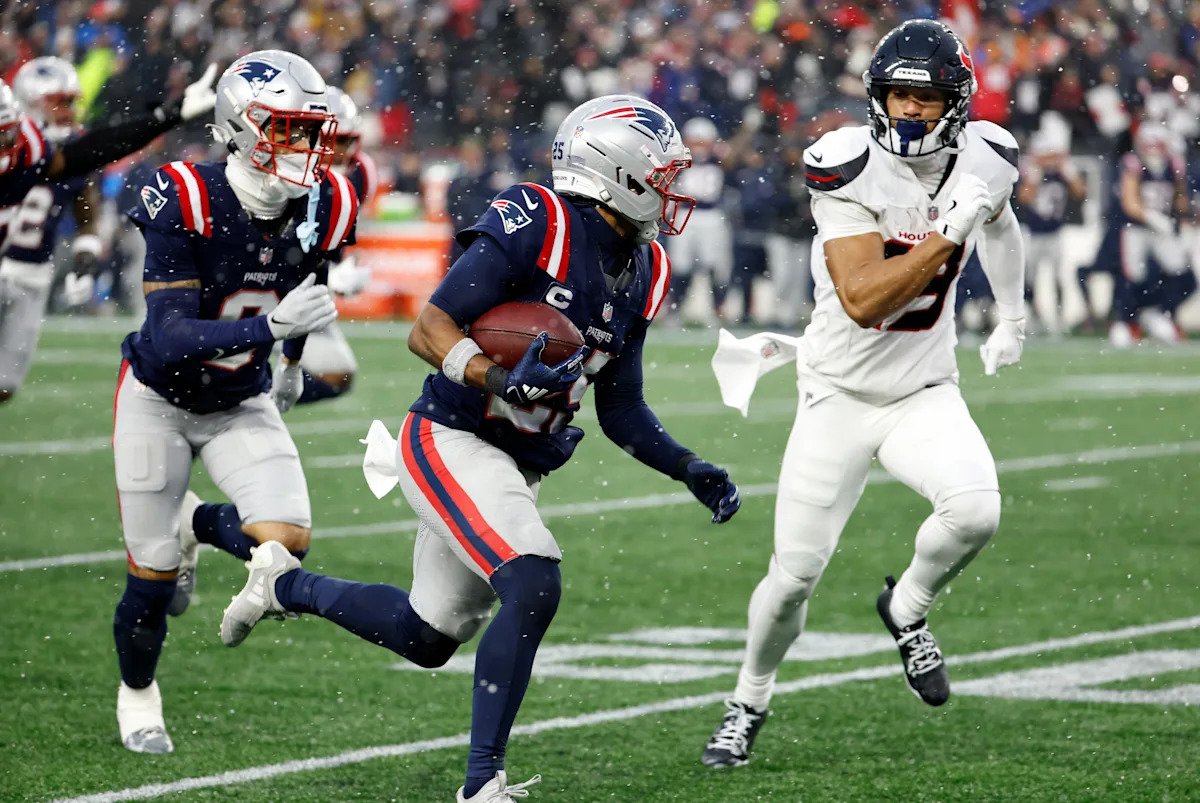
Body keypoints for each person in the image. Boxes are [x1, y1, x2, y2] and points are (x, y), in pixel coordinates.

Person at [220, 95, 741, 802]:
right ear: (617, 172)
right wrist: (497, 377)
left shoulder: (645, 268)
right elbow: (430, 327)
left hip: (516, 463)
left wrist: (686, 466)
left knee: (426, 636)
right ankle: (481, 783)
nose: (674, 187)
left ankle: (282, 584)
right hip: (451, 436)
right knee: (533, 578)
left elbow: (620, 407)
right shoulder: (541, 220)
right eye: (664, 173)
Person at [703, 19, 1025, 767]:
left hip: (923, 388)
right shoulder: (844, 164)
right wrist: (946, 233)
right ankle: (748, 699)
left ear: (956, 102)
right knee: (793, 578)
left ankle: (906, 607)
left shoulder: (989, 155)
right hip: (838, 395)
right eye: (898, 94)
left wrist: (1012, 315)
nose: (909, 109)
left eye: (926, 96)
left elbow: (1002, 224)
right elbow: (862, 298)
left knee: (976, 510)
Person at [111, 50, 357, 754]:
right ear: (241, 128)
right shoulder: (186, 193)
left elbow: (307, 282)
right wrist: (270, 329)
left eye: (312, 131)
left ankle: (195, 522)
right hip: (158, 398)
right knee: (152, 579)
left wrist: (292, 362)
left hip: (241, 398)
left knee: (288, 539)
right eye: (290, 129)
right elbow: (168, 336)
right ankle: (138, 692)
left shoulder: (328, 202)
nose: (307, 147)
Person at [0, 61, 217, 400]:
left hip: (31, 274)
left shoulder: (29, 146)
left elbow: (86, 154)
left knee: (4, 385)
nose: (8, 143)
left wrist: (164, 117)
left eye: (8, 134)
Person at [0, 57, 103, 400]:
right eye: (60, 102)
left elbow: (87, 212)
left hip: (34, 276)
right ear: (30, 102)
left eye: (71, 102)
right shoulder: (15, 146)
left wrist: (85, 259)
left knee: (5, 386)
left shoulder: (73, 151)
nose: (68, 112)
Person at [290, 85, 376, 407]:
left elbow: (332, 242)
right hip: (261, 289)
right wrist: (329, 279)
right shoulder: (286, 177)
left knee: (337, 375)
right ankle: (244, 393)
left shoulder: (359, 175)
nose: (343, 151)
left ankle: (256, 396)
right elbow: (272, 254)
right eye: (335, 141)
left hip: (306, 289)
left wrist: (339, 270)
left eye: (347, 141)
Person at [1104, 122, 1193, 347]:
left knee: (1183, 274)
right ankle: (1124, 323)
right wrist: (1154, 218)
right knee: (1132, 276)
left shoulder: (1175, 163)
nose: (1153, 151)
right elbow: (1130, 203)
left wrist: (1183, 222)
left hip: (1163, 227)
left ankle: (1160, 313)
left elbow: (1180, 198)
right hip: (1135, 226)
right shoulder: (1133, 163)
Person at [1016, 130, 1087, 336]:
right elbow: (1024, 198)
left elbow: (1080, 192)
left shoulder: (1062, 172)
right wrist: (1035, 176)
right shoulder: (1030, 172)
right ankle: (1033, 316)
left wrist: (1068, 171)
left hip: (1055, 232)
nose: (1050, 160)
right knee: (1029, 278)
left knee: (1057, 277)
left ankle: (1058, 318)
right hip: (1032, 232)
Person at [665, 117, 731, 324]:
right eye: (696, 141)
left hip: (711, 214)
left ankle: (717, 309)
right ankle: (674, 308)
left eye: (703, 141)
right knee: (680, 265)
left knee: (714, 266)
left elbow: (733, 158)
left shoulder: (720, 159)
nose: (700, 146)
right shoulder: (679, 161)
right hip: (685, 213)